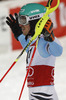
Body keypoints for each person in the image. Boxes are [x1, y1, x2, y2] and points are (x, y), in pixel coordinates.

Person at [6, 3, 63, 100]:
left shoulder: (44, 41)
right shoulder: (33, 41)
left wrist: (51, 38)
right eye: (20, 20)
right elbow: (29, 49)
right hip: (33, 96)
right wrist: (19, 36)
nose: (20, 24)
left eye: (23, 20)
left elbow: (58, 51)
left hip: (46, 97)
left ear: (34, 21)